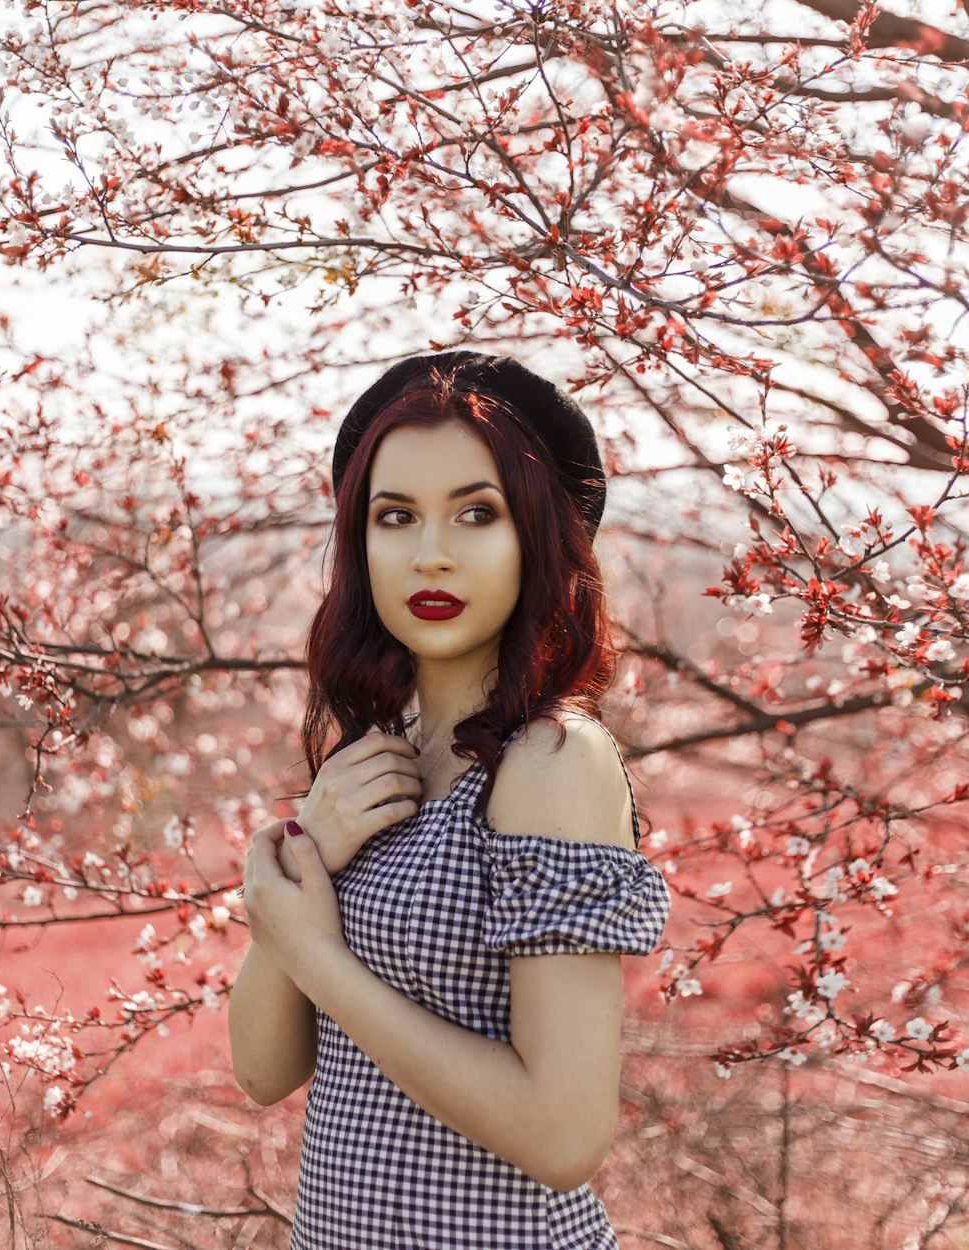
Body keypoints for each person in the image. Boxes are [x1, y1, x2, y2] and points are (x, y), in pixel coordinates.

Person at [229, 351, 671, 1250]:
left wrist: (317, 954)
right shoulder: (378, 756)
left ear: (537, 537)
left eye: (478, 512)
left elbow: (564, 1135)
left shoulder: (549, 758)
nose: (431, 553)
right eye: (396, 517)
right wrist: (307, 852)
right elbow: (262, 1070)